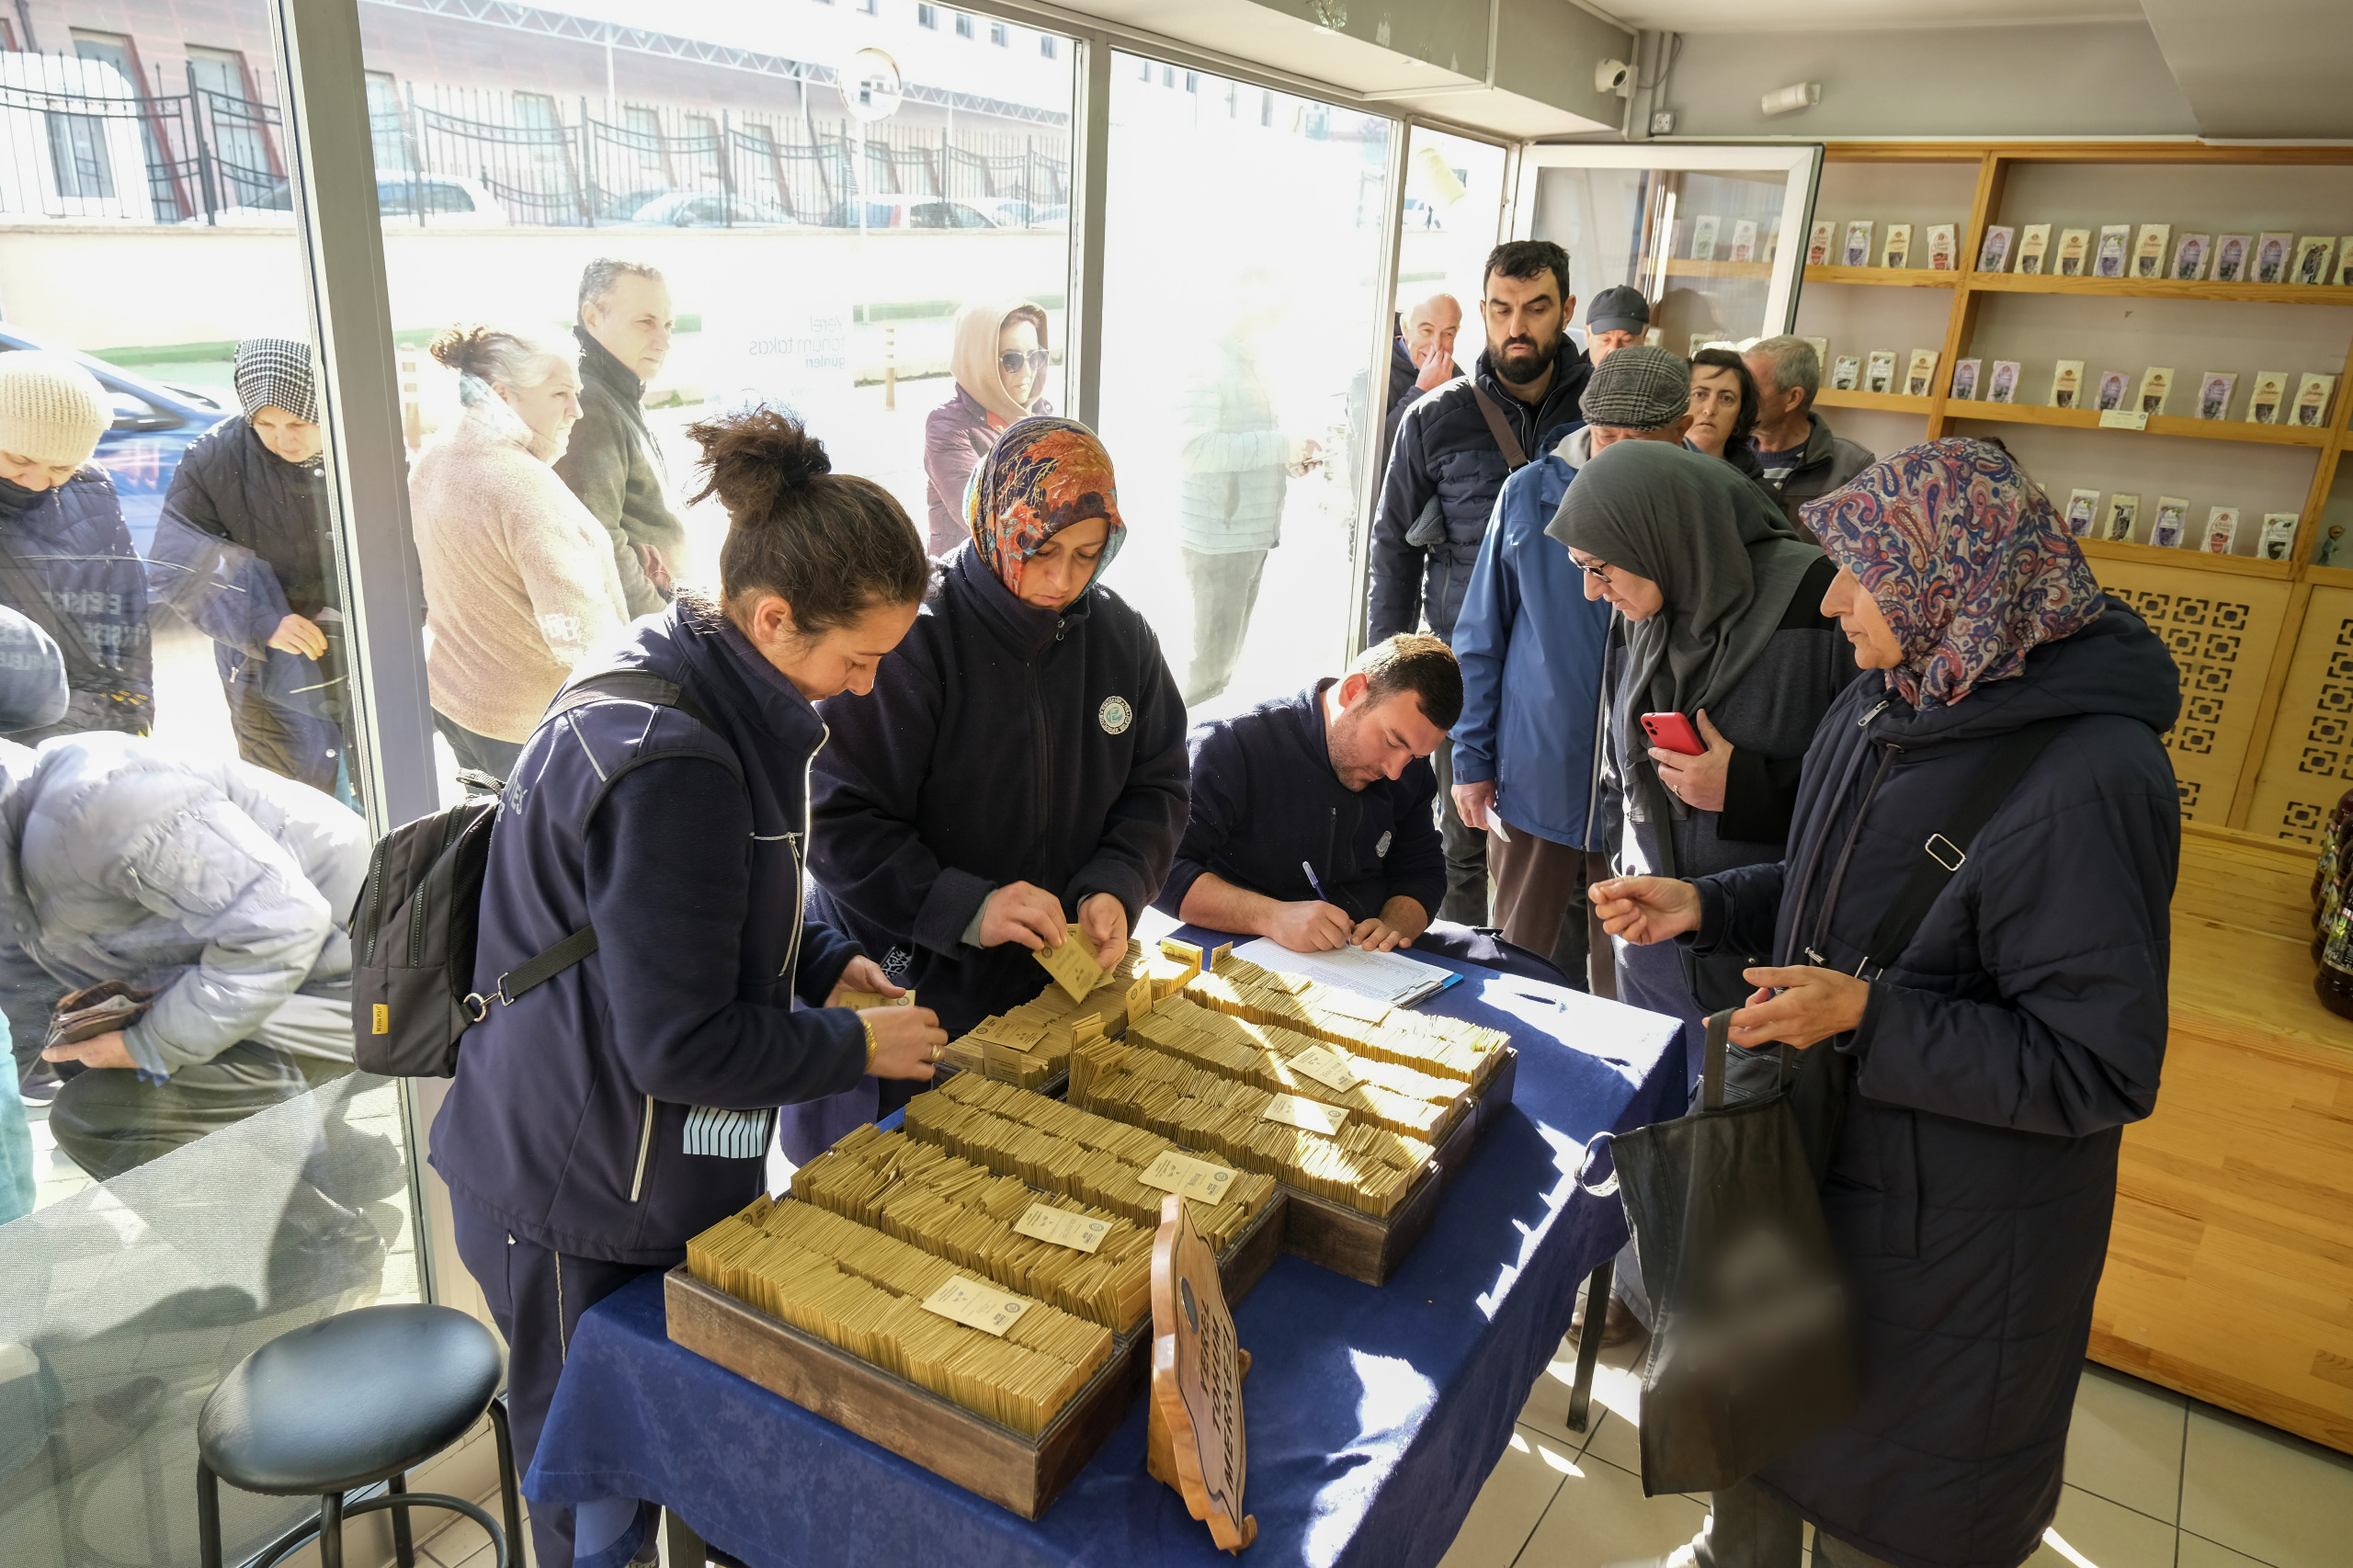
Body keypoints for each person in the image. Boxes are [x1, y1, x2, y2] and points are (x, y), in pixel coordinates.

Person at [1594, 437, 2179, 1568]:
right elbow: (1838, 899)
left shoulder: (2092, 777)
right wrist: (1704, 906)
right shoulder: (1891, 697)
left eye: (1862, 570)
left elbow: (2096, 1065)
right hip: (1809, 1174)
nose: (1832, 596)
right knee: (1758, 1448)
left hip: (1951, 1241)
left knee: (1884, 1503)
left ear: (1952, 580)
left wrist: (1869, 1019)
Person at [430, 407, 946, 1568]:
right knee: (593, 1500)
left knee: (662, 1455)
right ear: (772, 616)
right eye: (857, 659)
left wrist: (819, 955)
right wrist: (855, 1048)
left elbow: (738, 892)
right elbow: (679, 1044)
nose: (863, 689)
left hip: (629, 1159)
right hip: (576, 1188)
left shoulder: (692, 672)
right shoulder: (677, 765)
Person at [807, 415, 1188, 1138]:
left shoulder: (1122, 638)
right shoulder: (912, 638)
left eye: (1088, 554)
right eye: (1041, 550)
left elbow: (1159, 784)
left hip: (1055, 989)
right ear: (996, 524)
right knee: (899, 1186)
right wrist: (965, 907)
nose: (1062, 579)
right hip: (913, 979)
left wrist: (1118, 881)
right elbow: (838, 819)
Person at [1550, 439, 1858, 1080]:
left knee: (1741, 1146)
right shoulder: (1646, 598)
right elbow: (1619, 759)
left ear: (1663, 534)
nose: (1589, 590)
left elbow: (1874, 795)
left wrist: (1745, 786)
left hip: (1768, 957)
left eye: (1599, 567)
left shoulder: (1823, 602)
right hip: (1653, 945)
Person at [17, 729, 368, 1180]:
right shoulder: (32, 816)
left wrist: (147, 1046)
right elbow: (21, 984)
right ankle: (353, 1173)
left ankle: (322, 1242)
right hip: (296, 969)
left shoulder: (95, 807)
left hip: (361, 980)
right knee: (83, 1062)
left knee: (98, 1115)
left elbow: (281, 925)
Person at [1452, 346, 1694, 996]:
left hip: (1653, 796)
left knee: (1632, 985)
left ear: (1682, 429)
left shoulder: (1703, 504)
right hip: (1537, 777)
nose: (1617, 456)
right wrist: (1470, 762)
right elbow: (1481, 637)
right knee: (1516, 969)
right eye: (1606, 436)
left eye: (1640, 440)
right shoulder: (1530, 493)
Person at [1369, 239, 1594, 924]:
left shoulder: (1601, 417)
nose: (1516, 327)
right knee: (1459, 835)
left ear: (1567, 310)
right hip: (1461, 665)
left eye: (1535, 308)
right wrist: (1387, 671)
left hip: (1570, 673)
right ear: (1484, 313)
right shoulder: (1433, 417)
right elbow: (1392, 554)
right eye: (1500, 310)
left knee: (1570, 850)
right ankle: (1464, 989)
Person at [1154, 634, 1561, 983]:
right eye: (1393, 741)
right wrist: (1271, 918)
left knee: (1541, 981)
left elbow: (1422, 869)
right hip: (1253, 950)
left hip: (1372, 959)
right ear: (1353, 692)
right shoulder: (1232, 745)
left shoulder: (1409, 769)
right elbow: (1163, 869)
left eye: (1417, 755)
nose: (1395, 769)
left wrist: (1396, 924)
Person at [411, 324, 630, 779]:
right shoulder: (525, 488)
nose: (577, 410)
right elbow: (580, 637)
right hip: (529, 727)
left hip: (457, 702)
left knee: (486, 845)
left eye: (577, 392)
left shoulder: (436, 457)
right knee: (545, 851)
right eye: (560, 394)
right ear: (502, 394)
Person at [148, 336, 354, 802]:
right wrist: (262, 623)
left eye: (299, 422)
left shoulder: (364, 448)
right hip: (264, 661)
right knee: (293, 800)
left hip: (364, 655)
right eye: (265, 424)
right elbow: (172, 565)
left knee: (378, 788)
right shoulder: (214, 458)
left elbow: (411, 548)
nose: (283, 439)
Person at [1174, 273, 1321, 707]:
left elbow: (1246, 443)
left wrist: (1288, 461)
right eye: (1267, 307)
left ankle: (1193, 758)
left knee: (1221, 666)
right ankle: (1181, 762)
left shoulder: (1247, 360)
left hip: (1244, 538)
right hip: (1219, 542)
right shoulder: (1206, 361)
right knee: (1208, 672)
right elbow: (1193, 449)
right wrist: (1281, 447)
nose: (1272, 319)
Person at [0, 352, 152, 742]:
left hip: (96, 716)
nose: (36, 481)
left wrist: (137, 700)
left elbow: (127, 601)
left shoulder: (94, 487)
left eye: (62, 468)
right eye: (19, 458)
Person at [553, 257, 687, 617]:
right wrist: (662, 630)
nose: (664, 341)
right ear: (592, 317)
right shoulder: (587, 404)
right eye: (646, 323)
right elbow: (598, 543)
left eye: (668, 325)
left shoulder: (616, 387)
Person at [923, 298, 1054, 558]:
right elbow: (986, 520)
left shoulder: (1039, 416)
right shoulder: (947, 427)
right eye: (1012, 360)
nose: (1027, 372)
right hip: (967, 580)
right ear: (979, 362)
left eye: (1035, 357)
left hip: (1032, 570)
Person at [1745, 335, 1875, 538]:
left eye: (1751, 389)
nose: (1740, 397)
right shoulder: (1725, 451)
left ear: (1793, 398)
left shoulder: (1853, 467)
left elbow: (1863, 555)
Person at [1363, 293, 1464, 478]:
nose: (1436, 344)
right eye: (1426, 331)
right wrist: (1422, 391)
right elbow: (1368, 458)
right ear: (1405, 327)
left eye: (1447, 334)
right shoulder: (1371, 376)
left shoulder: (1457, 377)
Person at [1687, 347, 1768, 484]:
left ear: (1741, 412)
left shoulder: (1760, 493)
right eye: (1699, 394)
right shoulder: (1647, 469)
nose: (1710, 409)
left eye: (1726, 398)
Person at [1585, 285, 1650, 362]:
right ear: (1588, 335)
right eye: (1605, 340)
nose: (1614, 351)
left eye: (1627, 340)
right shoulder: (1570, 373)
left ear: (1644, 336)